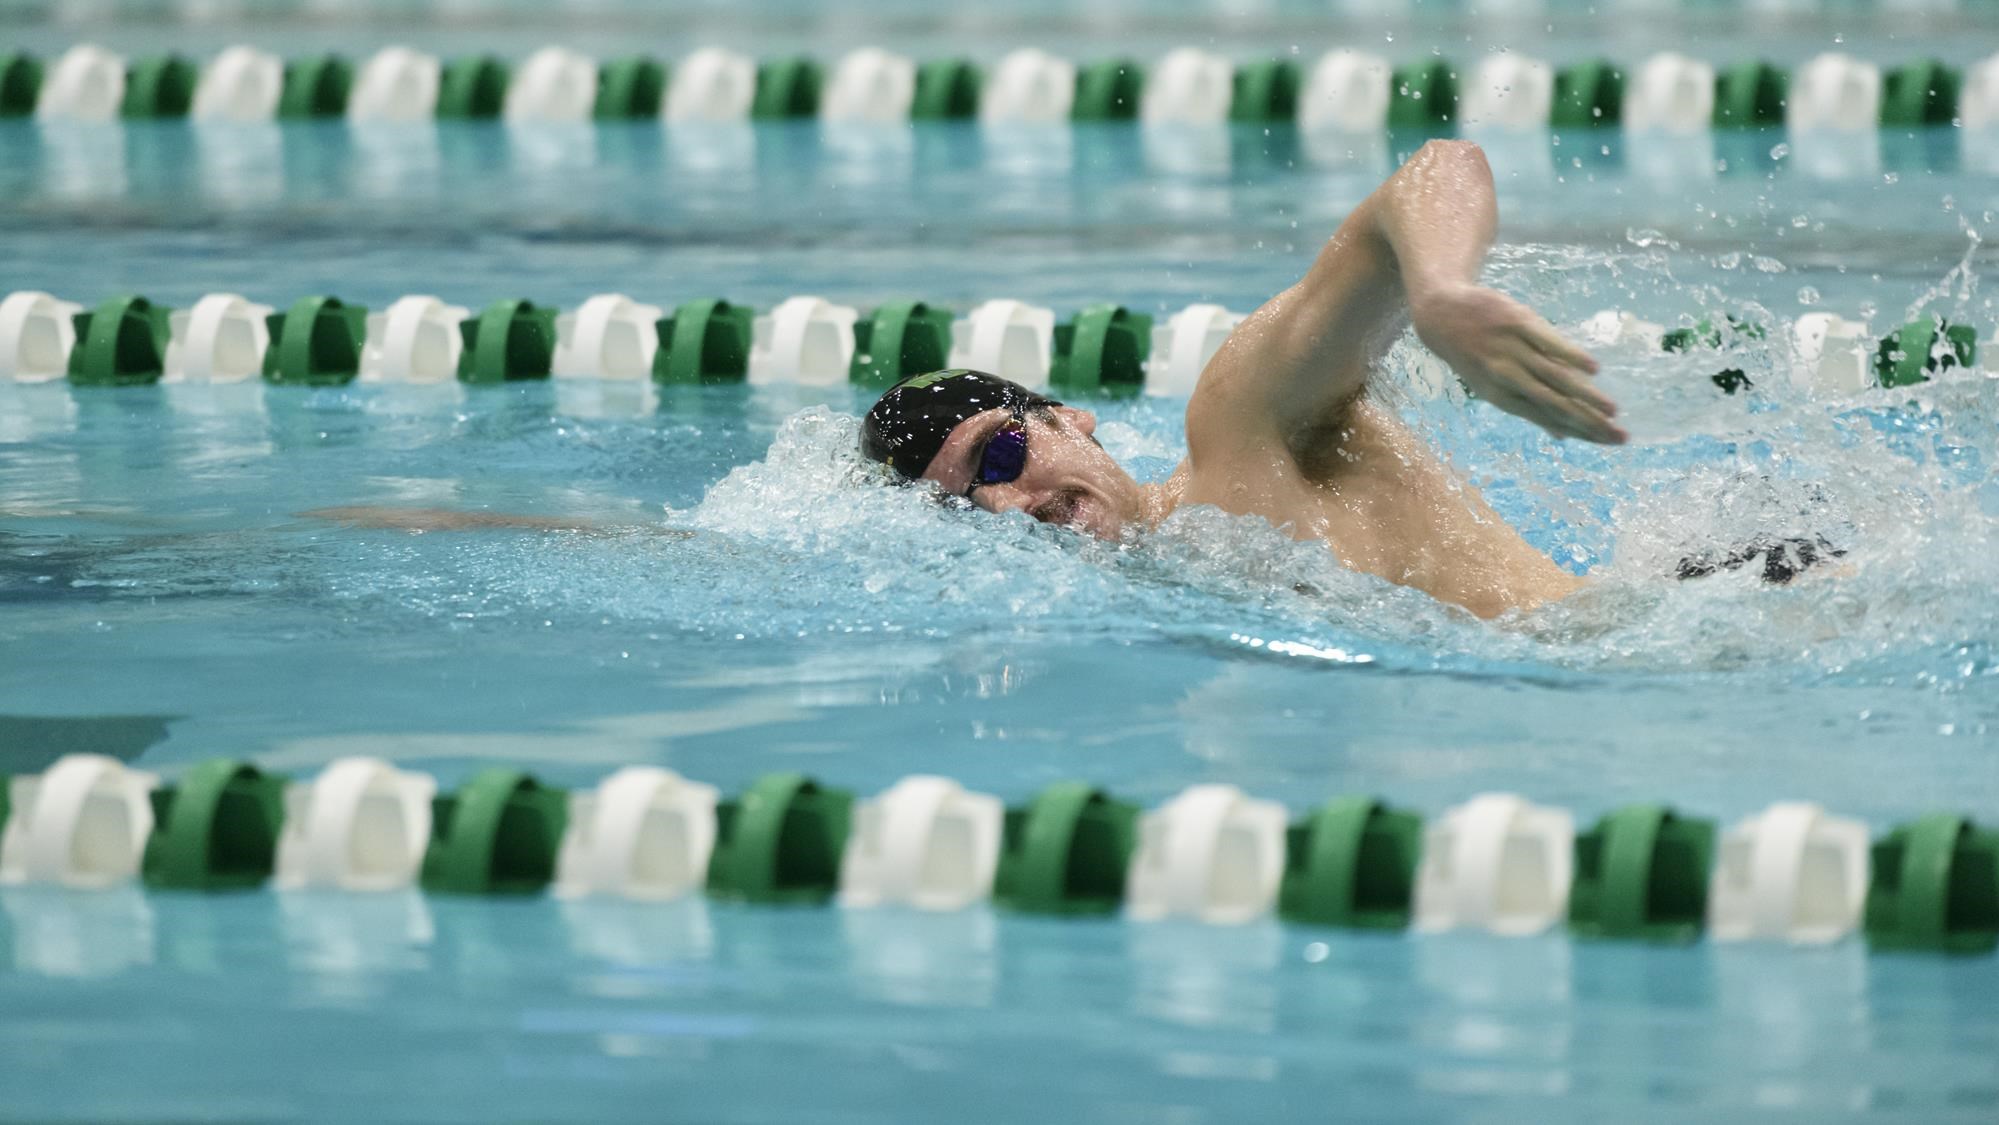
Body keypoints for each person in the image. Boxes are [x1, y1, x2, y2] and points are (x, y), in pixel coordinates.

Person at [861, 139, 1625, 620]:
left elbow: (1437, 169)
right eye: (963, 506)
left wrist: (1440, 293)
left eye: (999, 454)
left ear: (1068, 417)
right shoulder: (1167, 597)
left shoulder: (1239, 426)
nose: (1004, 505)